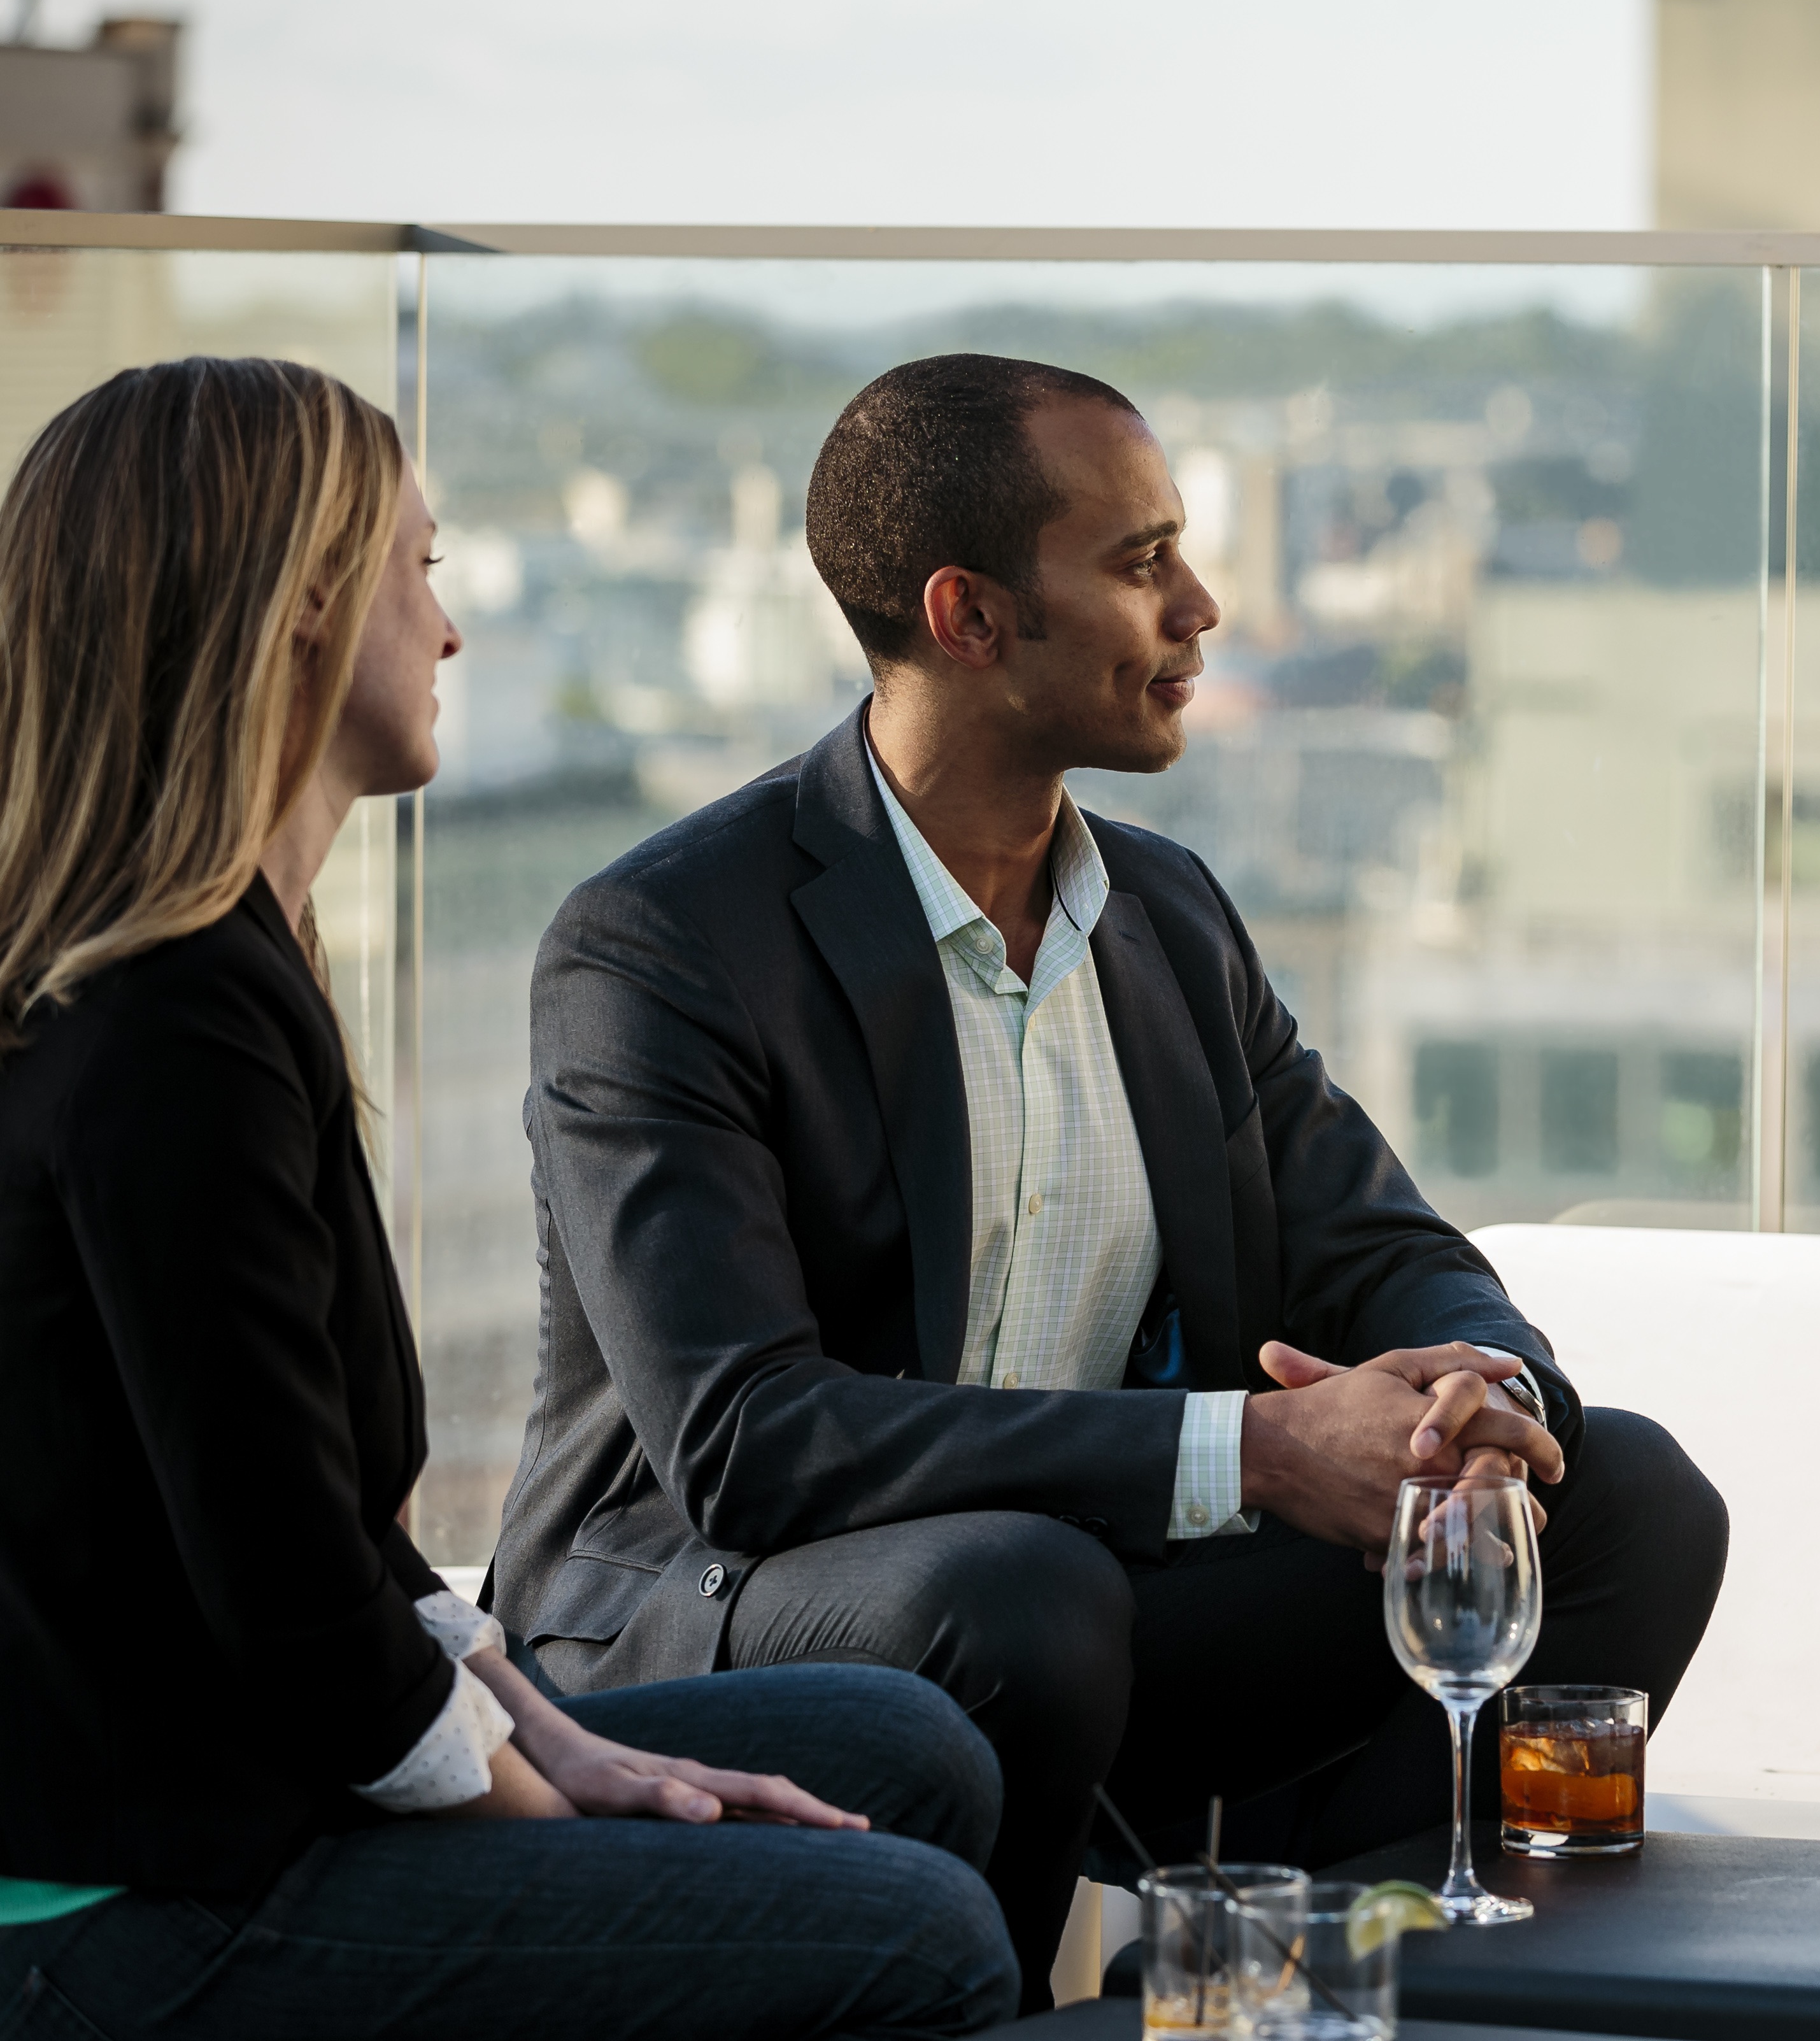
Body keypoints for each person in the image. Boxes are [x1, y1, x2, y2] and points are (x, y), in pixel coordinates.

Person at [489, 352, 1730, 2005]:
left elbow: (1375, 1243)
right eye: (1142, 563)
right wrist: (1261, 1450)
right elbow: (748, 1440)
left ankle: (1326, 1985)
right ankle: (990, 2012)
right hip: (712, 1615)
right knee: (1021, 1590)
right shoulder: (667, 944)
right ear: (969, 615)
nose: (1201, 607)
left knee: (1621, 1500)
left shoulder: (1168, 917)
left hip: (1078, 1603)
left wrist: (1476, 1402)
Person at [0, 359, 1021, 2038]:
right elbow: (289, 1600)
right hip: (129, 1894)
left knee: (910, 1754)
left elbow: (326, 1523)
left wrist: (560, 1739)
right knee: (918, 1940)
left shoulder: (220, 972)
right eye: (422, 571)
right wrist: (559, 1819)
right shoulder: (166, 1024)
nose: (449, 632)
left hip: (232, 1786)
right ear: (302, 614)